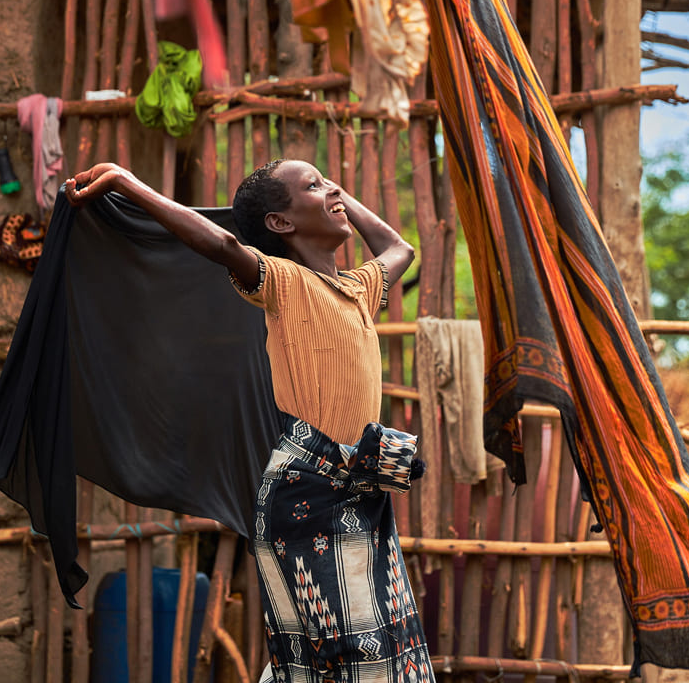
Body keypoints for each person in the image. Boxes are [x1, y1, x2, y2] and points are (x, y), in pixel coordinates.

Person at [65, 159, 435, 683]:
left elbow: (402, 249)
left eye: (327, 182)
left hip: (358, 495)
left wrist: (335, 195)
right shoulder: (284, 283)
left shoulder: (357, 290)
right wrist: (129, 182)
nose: (329, 190)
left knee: (361, 653)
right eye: (312, 186)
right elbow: (223, 246)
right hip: (308, 493)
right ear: (280, 224)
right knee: (350, 657)